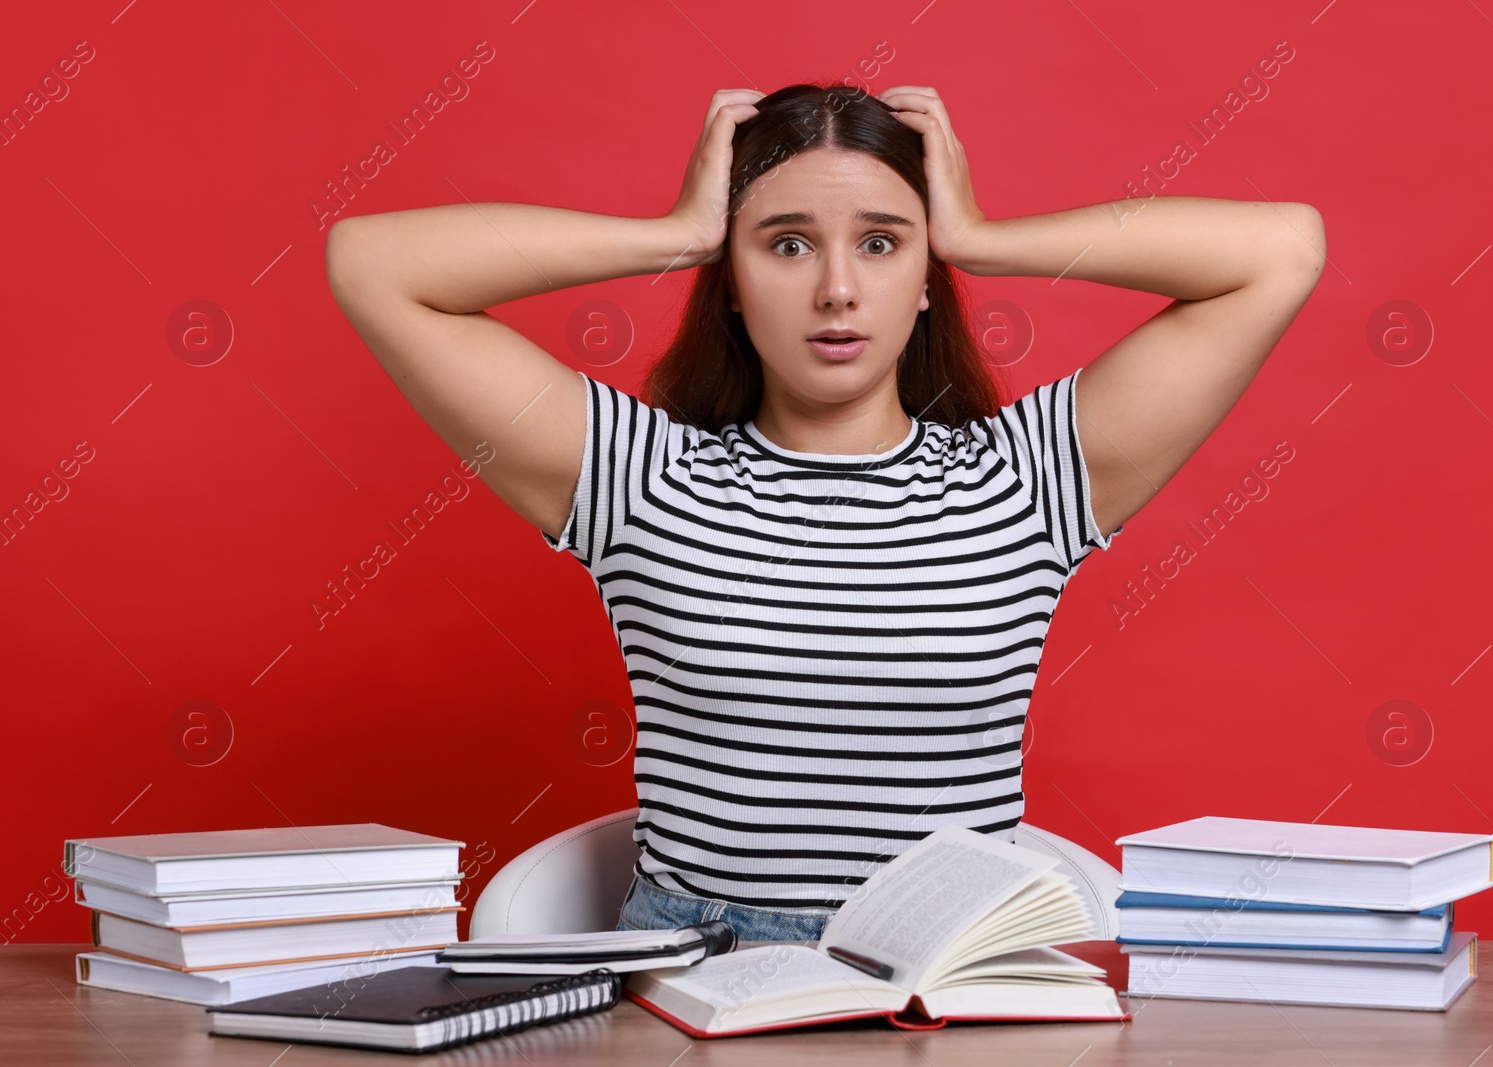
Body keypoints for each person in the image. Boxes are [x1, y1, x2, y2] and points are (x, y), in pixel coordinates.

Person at [325, 82, 1325, 942]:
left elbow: (1281, 248)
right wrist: (674, 234)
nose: (837, 290)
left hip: (956, 963)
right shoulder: (640, 477)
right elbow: (373, 264)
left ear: (926, 279)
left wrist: (981, 238)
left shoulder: (1024, 480)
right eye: (787, 244)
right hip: (699, 970)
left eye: (883, 243)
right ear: (731, 281)